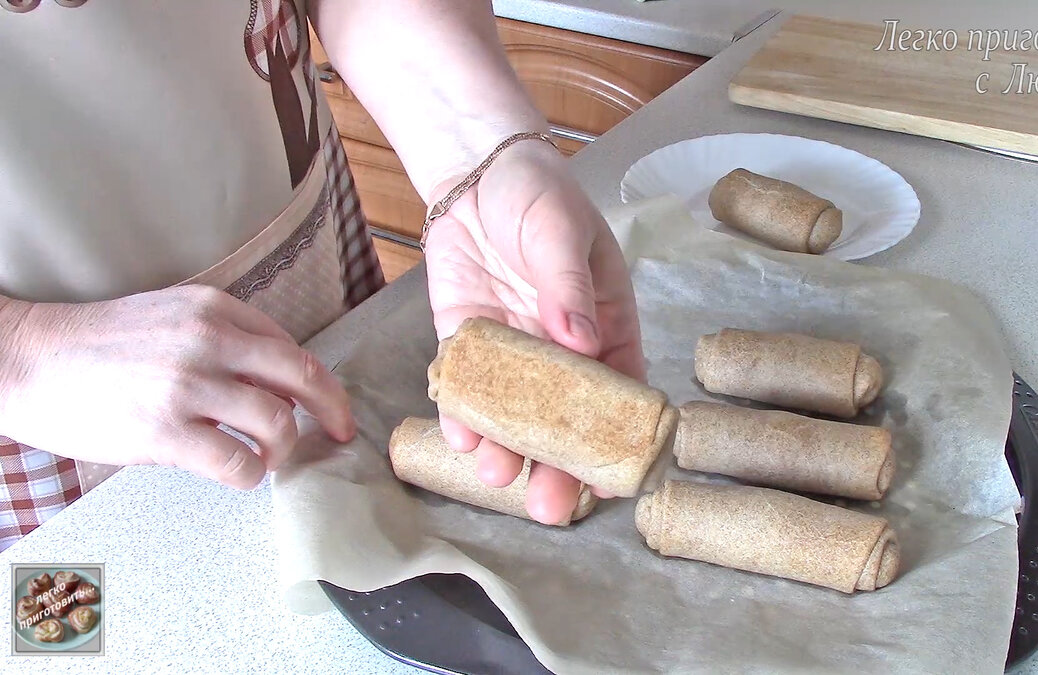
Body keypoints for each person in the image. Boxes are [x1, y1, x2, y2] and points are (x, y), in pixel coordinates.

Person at [0, 0, 643, 550]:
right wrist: (21, 352)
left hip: (297, 233)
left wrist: (476, 152)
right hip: (42, 417)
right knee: (73, 637)